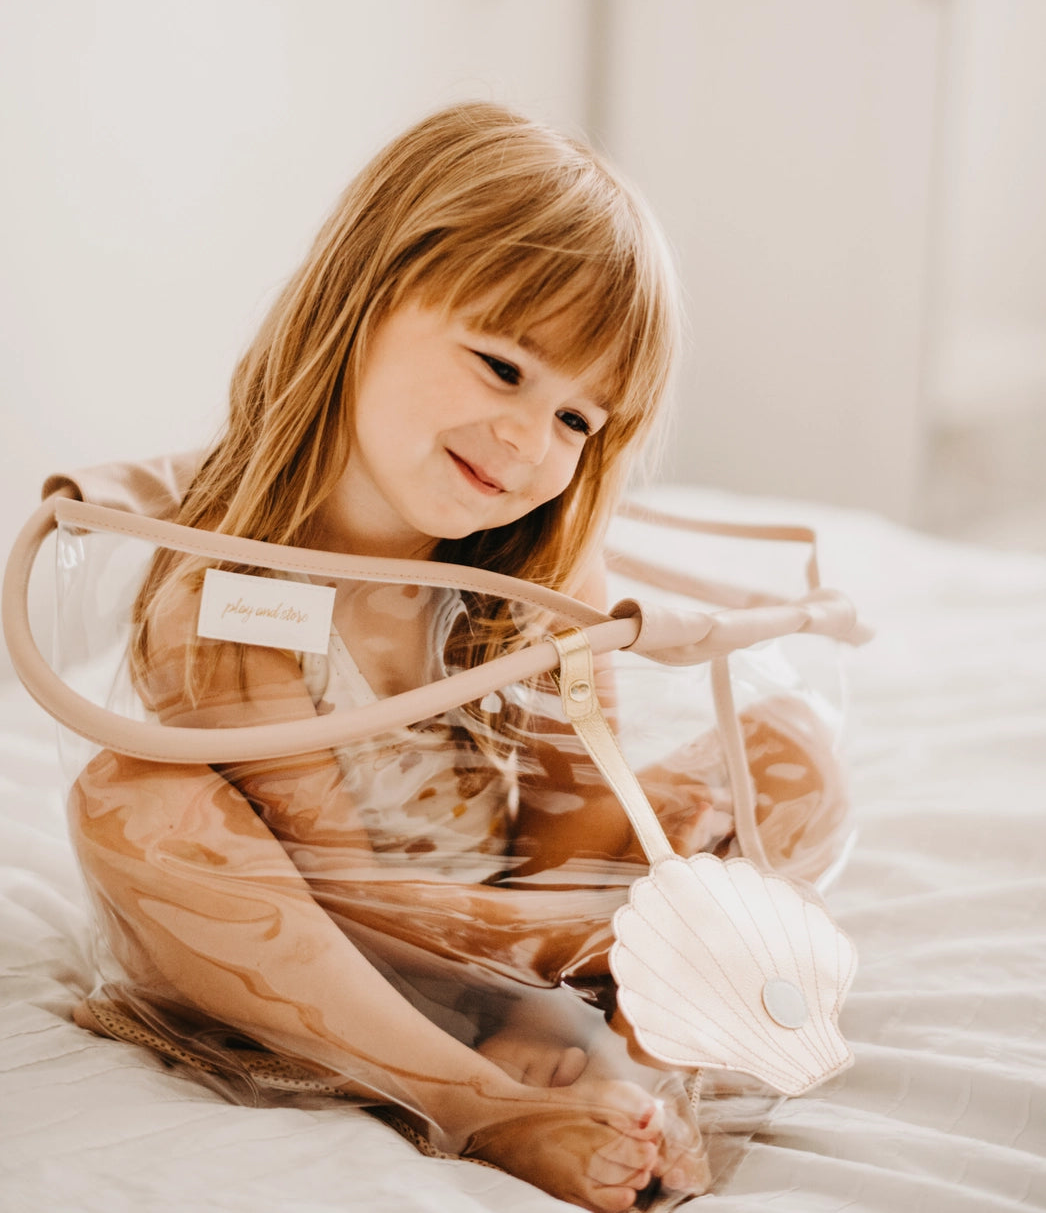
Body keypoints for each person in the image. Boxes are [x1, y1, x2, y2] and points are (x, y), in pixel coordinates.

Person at [66, 103, 849, 1212]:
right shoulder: (230, 594)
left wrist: (572, 959)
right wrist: (546, 969)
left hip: (524, 923)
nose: (532, 443)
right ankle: (475, 1099)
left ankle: (640, 1056)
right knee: (130, 802)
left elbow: (568, 826)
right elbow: (367, 906)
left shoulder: (536, 572)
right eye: (500, 367)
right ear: (363, 300)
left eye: (579, 420)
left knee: (787, 751)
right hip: (337, 957)